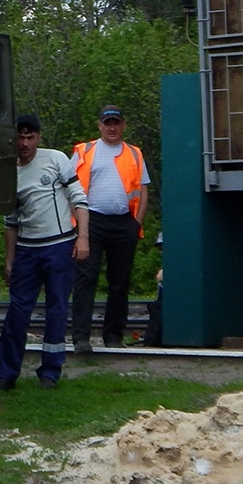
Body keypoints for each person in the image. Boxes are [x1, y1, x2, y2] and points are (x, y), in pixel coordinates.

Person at [0, 114, 90, 392]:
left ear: (38, 138)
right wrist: (9, 260)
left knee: (57, 309)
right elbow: (10, 222)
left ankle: (50, 371)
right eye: (20, 137)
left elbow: (79, 200)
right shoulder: (9, 171)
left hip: (59, 246)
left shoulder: (56, 159)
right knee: (18, 312)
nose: (25, 143)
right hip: (27, 250)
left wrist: (83, 238)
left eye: (30, 137)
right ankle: (6, 374)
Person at [69, 105, 151, 353]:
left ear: (123, 125)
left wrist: (136, 222)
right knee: (85, 278)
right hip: (91, 222)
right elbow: (69, 188)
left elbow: (144, 190)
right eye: (108, 123)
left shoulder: (135, 154)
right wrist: (78, 227)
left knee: (120, 282)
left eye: (116, 123)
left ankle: (113, 336)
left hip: (123, 223)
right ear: (100, 126)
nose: (112, 128)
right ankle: (81, 338)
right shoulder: (85, 151)